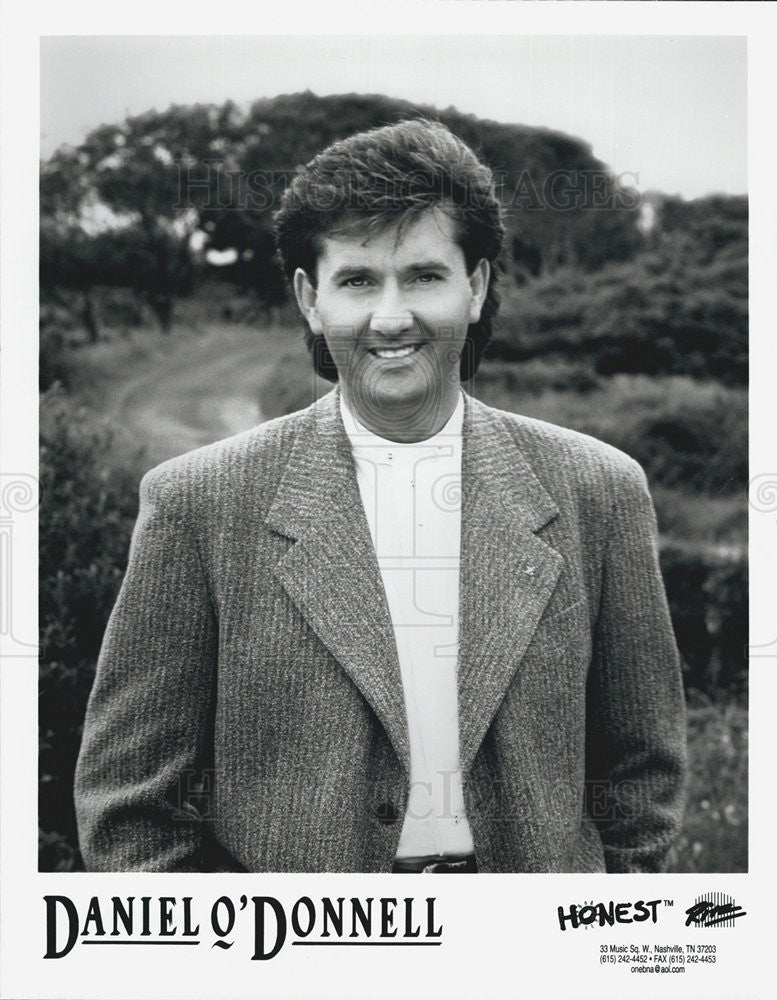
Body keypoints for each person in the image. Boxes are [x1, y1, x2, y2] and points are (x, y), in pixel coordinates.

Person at [75, 119, 686, 873]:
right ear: (310, 299)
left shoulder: (601, 493)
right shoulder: (196, 505)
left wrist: (591, 941)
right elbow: (128, 808)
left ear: (477, 287)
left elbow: (642, 776)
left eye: (424, 276)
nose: (391, 318)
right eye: (358, 280)